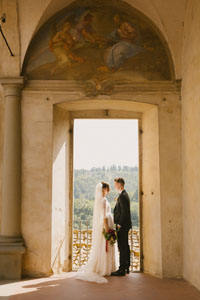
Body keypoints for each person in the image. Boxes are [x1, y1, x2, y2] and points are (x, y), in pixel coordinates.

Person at [75, 182, 118, 283]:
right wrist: (107, 228)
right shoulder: (103, 200)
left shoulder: (102, 200)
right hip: (106, 224)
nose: (108, 191)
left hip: (107, 223)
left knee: (105, 246)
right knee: (105, 246)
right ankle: (105, 268)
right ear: (103, 190)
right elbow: (103, 216)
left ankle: (107, 267)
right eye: (107, 189)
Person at [111, 177, 132, 276]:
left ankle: (121, 269)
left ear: (119, 184)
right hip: (125, 225)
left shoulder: (123, 196)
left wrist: (119, 224)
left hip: (122, 226)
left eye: (115, 184)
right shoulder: (124, 194)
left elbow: (125, 212)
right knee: (125, 246)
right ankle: (126, 266)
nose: (114, 186)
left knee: (122, 247)